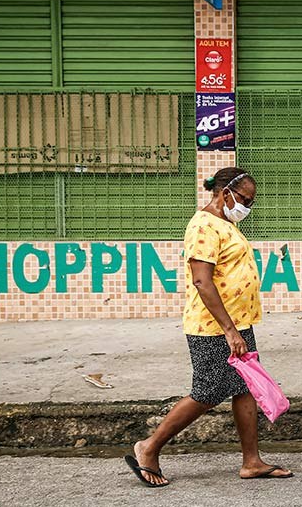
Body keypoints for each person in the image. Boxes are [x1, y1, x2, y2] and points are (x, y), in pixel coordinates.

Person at [124, 167, 293, 487]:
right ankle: (149, 447)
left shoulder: (224, 224)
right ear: (225, 192)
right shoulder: (203, 225)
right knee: (207, 392)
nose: (247, 206)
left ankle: (252, 462)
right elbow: (202, 281)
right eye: (245, 199)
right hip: (213, 327)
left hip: (238, 322)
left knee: (245, 388)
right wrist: (229, 330)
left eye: (252, 202)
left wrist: (237, 327)